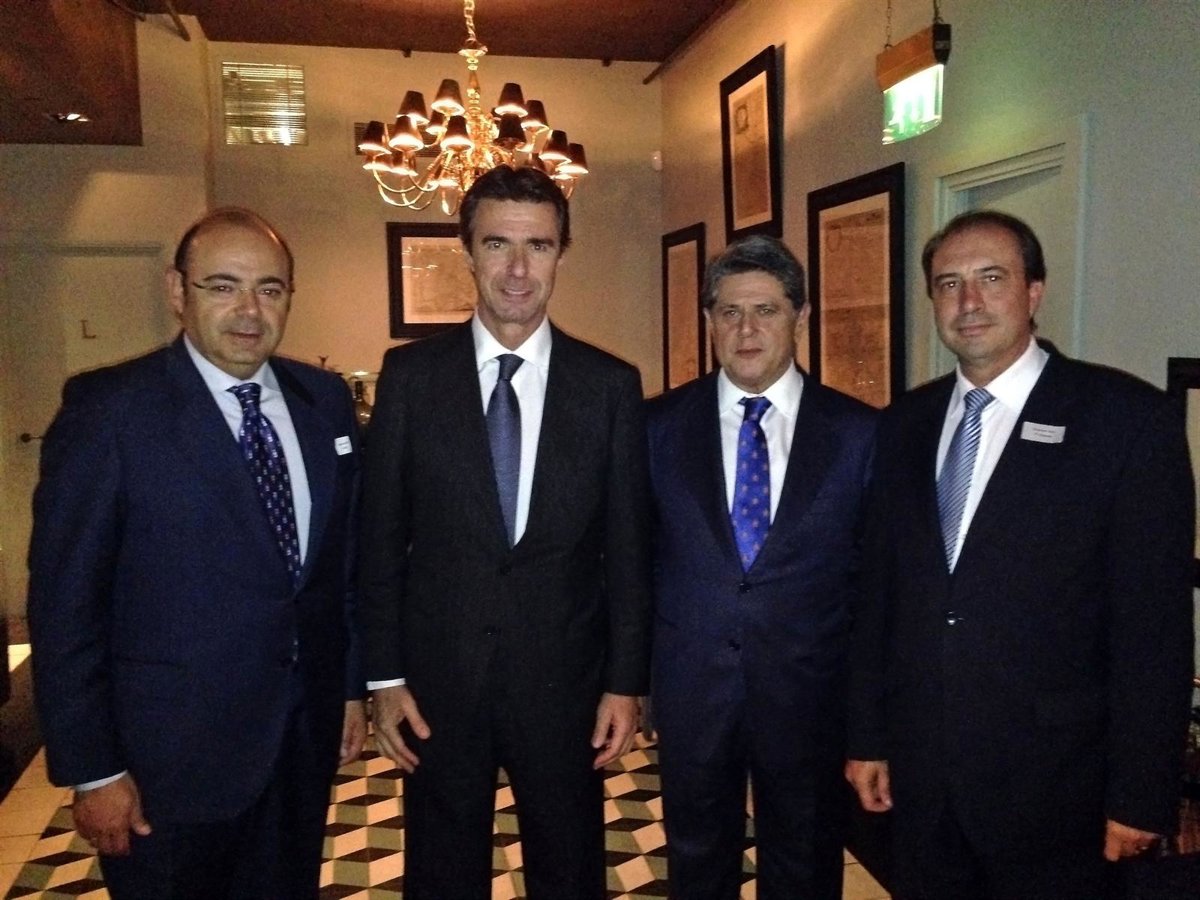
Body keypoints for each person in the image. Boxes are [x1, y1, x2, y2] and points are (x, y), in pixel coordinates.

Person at [846, 210, 1195, 900]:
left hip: (1059, 789)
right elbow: (877, 596)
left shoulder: (1126, 421)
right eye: (949, 284)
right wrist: (868, 736)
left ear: (1034, 291)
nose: (968, 302)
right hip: (922, 780)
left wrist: (1141, 793)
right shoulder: (904, 424)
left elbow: (1153, 627)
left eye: (991, 278)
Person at [27, 207, 367, 900]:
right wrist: (93, 770)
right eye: (222, 286)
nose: (249, 310)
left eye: (270, 289)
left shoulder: (324, 400)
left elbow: (341, 567)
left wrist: (349, 688)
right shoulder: (110, 412)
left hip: (299, 743)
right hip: (166, 767)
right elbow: (65, 605)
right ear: (177, 291)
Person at [358, 164, 652, 900]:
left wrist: (625, 683)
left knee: (569, 869)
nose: (518, 269)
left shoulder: (610, 386)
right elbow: (378, 540)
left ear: (561, 254)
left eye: (538, 246)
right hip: (438, 683)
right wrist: (384, 678)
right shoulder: (410, 378)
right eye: (497, 244)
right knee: (443, 873)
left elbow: (628, 550)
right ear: (467, 250)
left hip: (566, 683)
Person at [647, 235, 877, 899]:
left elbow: (872, 588)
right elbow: (630, 566)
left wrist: (869, 719)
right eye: (730, 312)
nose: (746, 329)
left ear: (801, 317)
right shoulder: (655, 428)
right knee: (697, 865)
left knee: (805, 866)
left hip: (810, 695)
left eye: (766, 311)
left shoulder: (860, 434)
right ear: (709, 320)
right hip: (692, 692)